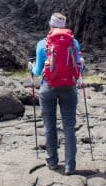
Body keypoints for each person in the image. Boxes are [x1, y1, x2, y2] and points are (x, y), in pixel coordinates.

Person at [29, 12, 84, 175]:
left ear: (50, 25)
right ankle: (70, 166)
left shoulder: (42, 44)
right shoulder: (73, 43)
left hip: (48, 87)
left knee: (49, 127)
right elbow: (79, 66)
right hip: (69, 87)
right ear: (64, 26)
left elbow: (38, 71)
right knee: (69, 127)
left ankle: (52, 162)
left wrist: (30, 67)